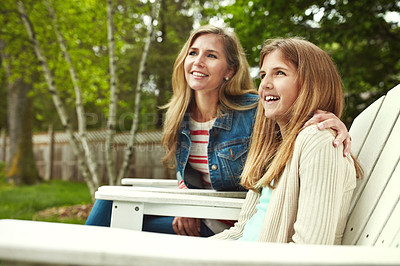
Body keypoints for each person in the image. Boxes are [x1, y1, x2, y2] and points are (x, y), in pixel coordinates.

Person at [85, 25, 352, 238]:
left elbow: (295, 120)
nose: (198, 61)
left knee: (115, 220)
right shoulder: (180, 115)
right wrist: (185, 202)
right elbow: (185, 173)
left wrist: (330, 119)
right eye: (193, 53)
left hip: (230, 219)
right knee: (110, 206)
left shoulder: (254, 110)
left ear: (230, 70)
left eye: (211, 56)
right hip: (212, 220)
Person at [211, 37, 363, 244]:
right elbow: (242, 231)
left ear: (312, 83)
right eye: (263, 75)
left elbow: (309, 250)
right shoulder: (275, 148)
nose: (265, 84)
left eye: (279, 73)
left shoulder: (318, 141)